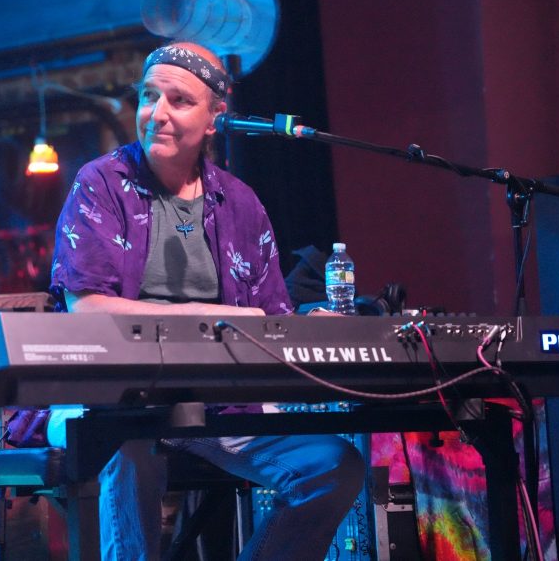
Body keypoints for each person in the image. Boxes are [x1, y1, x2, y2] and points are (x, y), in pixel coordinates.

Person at [48, 42, 366, 560]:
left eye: (179, 100)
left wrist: (312, 323)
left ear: (216, 117)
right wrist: (217, 317)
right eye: (149, 96)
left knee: (334, 466)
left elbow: (271, 320)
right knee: (128, 447)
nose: (157, 113)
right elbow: (87, 310)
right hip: (111, 404)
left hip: (216, 407)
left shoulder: (240, 203)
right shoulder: (100, 183)